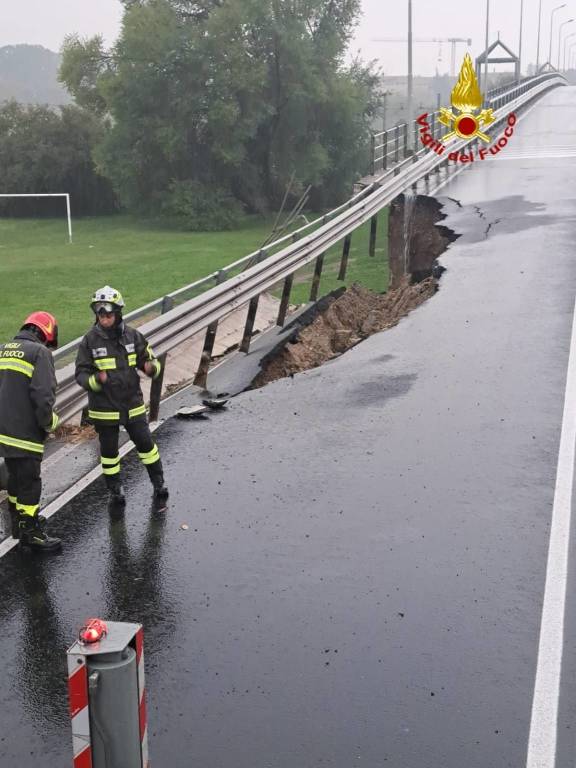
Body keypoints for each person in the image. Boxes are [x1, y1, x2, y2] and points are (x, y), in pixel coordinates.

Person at [75, 286, 169, 506]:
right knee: (109, 454)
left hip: (132, 405)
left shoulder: (133, 336)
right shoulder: (89, 341)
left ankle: (159, 483)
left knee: (146, 446)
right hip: (104, 409)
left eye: (108, 314)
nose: (104, 318)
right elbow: (80, 374)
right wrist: (96, 380)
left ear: (118, 313)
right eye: (100, 314)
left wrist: (150, 368)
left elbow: (152, 361)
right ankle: (115, 491)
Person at [0, 311, 61, 550]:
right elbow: (43, 397)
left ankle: (18, 522)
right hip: (24, 433)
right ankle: (31, 532)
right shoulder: (39, 353)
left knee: (15, 478)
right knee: (30, 482)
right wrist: (49, 422)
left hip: (3, 431)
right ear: (46, 333)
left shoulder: (3, 349)